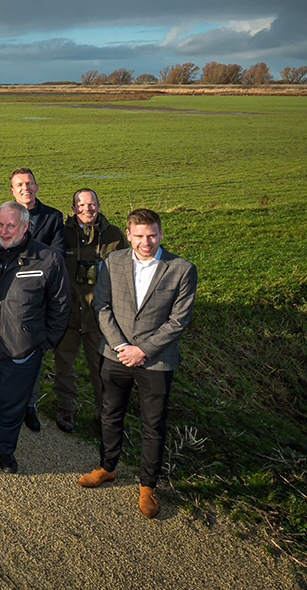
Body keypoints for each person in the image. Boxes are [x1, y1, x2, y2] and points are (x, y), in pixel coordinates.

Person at [78, 208, 197, 519]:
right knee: (109, 414)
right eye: (140, 236)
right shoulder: (113, 262)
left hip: (156, 361)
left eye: (152, 235)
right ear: (128, 235)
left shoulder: (182, 269)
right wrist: (121, 346)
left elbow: (178, 321)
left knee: (153, 425)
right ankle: (107, 467)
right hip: (115, 354)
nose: (147, 242)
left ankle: (148, 485)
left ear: (160, 233)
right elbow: (101, 306)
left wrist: (142, 350)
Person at [0, 201, 70, 475]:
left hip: (23, 350)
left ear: (25, 226)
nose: (4, 231)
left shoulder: (47, 259)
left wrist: (44, 342)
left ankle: (6, 451)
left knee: (12, 405)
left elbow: (61, 304)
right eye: (0, 224)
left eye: (11, 225)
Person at [53, 188, 127, 432]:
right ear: (73, 209)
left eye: (92, 204)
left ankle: (104, 413)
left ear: (98, 205)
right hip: (70, 315)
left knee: (102, 369)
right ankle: (66, 410)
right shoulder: (63, 234)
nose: (87, 209)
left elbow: (125, 273)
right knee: (64, 366)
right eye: (81, 205)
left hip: (100, 317)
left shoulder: (114, 236)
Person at [3, 167, 65, 431]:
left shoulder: (52, 217)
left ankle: (29, 405)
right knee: (3, 351)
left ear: (37, 187)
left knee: (31, 352)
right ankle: (0, 402)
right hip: (7, 294)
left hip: (36, 295)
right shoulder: (5, 214)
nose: (25, 188)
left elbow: (57, 254)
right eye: (20, 185)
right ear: (12, 191)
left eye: (29, 184)